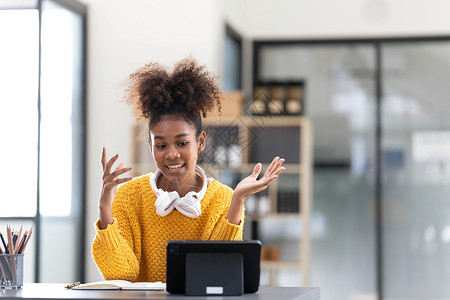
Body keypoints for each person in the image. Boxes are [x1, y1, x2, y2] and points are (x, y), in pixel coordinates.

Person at [92, 57, 285, 283]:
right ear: (150, 146)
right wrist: (105, 208)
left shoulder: (224, 199)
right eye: (161, 145)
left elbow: (219, 275)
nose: (171, 154)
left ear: (200, 141)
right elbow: (122, 274)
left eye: (182, 143)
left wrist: (238, 200)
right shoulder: (128, 196)